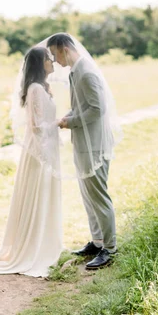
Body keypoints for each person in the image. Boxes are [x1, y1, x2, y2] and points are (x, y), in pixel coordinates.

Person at [0, 46, 63, 277]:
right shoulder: (34, 89)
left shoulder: (43, 88)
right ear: (39, 63)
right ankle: (32, 247)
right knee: (37, 195)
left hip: (48, 150)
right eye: (48, 59)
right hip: (38, 154)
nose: (52, 61)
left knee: (46, 196)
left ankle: (45, 241)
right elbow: (35, 126)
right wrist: (59, 123)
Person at [47, 33, 117, 270]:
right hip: (83, 144)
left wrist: (70, 122)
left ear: (65, 48)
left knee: (98, 196)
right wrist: (69, 115)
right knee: (88, 197)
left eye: (55, 55)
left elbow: (97, 109)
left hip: (94, 144)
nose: (55, 61)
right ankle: (97, 242)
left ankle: (110, 247)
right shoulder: (75, 71)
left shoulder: (86, 71)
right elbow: (82, 106)